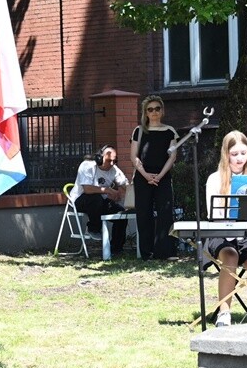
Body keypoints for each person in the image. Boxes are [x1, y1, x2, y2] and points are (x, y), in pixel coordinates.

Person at [204, 130, 247, 327]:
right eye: (234, 154)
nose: (240, 158)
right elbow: (212, 214)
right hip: (221, 233)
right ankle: (224, 312)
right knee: (230, 256)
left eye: (243, 153)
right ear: (226, 154)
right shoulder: (215, 179)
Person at [129, 95, 178, 259]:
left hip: (162, 176)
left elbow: (172, 157)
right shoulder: (139, 131)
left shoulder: (170, 131)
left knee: (165, 213)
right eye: (150, 109)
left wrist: (159, 176)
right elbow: (134, 157)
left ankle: (165, 252)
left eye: (157, 108)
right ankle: (147, 253)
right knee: (144, 214)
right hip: (143, 176)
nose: (154, 112)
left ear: (162, 111)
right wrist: (146, 175)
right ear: (146, 113)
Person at [69, 145, 129, 256]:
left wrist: (131, 193)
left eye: (114, 161)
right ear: (99, 158)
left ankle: (116, 248)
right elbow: (87, 189)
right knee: (95, 198)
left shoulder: (114, 169)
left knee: (121, 214)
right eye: (109, 160)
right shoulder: (87, 166)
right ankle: (93, 228)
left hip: (100, 203)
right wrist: (108, 190)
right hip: (81, 199)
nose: (111, 164)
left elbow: (125, 185)